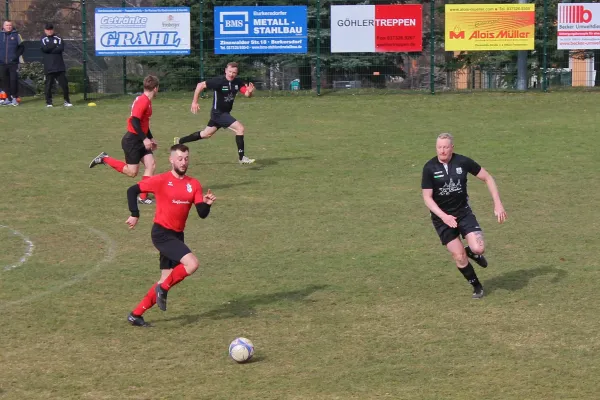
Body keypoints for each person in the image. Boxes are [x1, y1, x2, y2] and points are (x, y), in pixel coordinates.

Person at [125, 144, 217, 327]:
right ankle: (163, 289)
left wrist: (207, 204)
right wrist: (135, 214)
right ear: (171, 160)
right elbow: (132, 191)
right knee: (192, 264)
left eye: (186, 159)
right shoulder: (161, 180)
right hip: (161, 234)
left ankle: (136, 314)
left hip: (177, 236)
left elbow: (202, 213)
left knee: (166, 278)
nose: (183, 162)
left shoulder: (194, 184)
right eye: (180, 159)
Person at [421, 133, 507, 299]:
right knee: (459, 256)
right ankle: (476, 285)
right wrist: (444, 216)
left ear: (452, 147)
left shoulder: (462, 162)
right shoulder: (429, 168)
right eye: (439, 147)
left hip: (463, 213)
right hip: (442, 219)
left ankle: (473, 252)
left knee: (479, 247)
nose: (442, 150)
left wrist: (498, 203)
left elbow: (487, 178)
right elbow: (427, 198)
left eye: (446, 147)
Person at [89, 75, 159, 204]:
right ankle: (104, 158)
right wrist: (144, 139)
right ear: (156, 88)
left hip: (140, 139)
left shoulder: (147, 102)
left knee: (151, 165)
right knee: (132, 172)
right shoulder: (143, 101)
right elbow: (134, 121)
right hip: (132, 140)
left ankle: (143, 198)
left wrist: (150, 137)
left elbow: (143, 123)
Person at [175, 62, 256, 164]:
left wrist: (250, 92)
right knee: (240, 128)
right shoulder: (219, 81)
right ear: (225, 70)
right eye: (230, 71)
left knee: (205, 134)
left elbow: (247, 94)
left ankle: (179, 141)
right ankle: (242, 157)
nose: (231, 74)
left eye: (234, 72)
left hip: (223, 113)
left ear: (237, 73)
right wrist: (194, 102)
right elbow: (200, 85)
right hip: (218, 113)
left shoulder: (237, 82)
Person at [41, 23, 72, 107]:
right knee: (49, 85)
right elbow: (45, 49)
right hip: (49, 66)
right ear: (45, 31)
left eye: (51, 29)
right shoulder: (43, 39)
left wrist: (51, 48)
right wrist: (54, 46)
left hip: (59, 66)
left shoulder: (58, 38)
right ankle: (49, 102)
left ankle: (67, 101)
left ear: (53, 30)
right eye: (48, 29)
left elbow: (60, 48)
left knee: (64, 85)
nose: (49, 31)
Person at [0, 20, 24, 106]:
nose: (8, 27)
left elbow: (21, 48)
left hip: (13, 63)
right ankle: (7, 98)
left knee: (13, 80)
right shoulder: (0, 35)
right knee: (4, 81)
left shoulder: (17, 35)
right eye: (7, 25)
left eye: (10, 25)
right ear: (3, 26)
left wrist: (15, 56)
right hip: (2, 63)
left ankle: (14, 98)